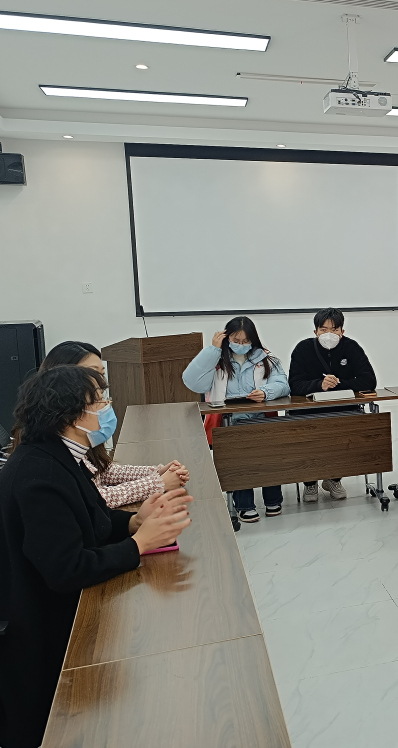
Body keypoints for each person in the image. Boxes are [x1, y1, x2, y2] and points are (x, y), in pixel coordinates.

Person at [0, 366, 192, 748]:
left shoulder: (59, 455)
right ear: (70, 415)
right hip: (39, 634)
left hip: (54, 615)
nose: (108, 407)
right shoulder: (40, 474)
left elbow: (89, 519)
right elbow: (67, 569)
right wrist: (139, 545)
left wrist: (134, 523)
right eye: (100, 400)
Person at [38, 340, 191, 509]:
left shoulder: (75, 432)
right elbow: (94, 498)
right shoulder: (52, 446)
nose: (100, 383)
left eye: (101, 374)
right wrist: (158, 483)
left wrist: (156, 472)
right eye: (91, 373)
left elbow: (101, 471)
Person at [182, 316, 290, 522]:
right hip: (229, 422)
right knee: (239, 460)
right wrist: (212, 350)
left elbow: (282, 384)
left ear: (253, 340)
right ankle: (244, 505)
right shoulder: (217, 360)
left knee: (269, 456)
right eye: (236, 340)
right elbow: (193, 382)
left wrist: (266, 392)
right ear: (226, 338)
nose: (241, 345)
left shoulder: (266, 359)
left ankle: (273, 500)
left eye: (245, 341)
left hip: (261, 419)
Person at [288, 308, 378, 502]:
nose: (329, 334)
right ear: (315, 332)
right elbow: (294, 386)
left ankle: (333, 478)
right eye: (323, 329)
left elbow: (369, 381)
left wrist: (339, 384)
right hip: (308, 411)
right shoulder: (303, 349)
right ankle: (309, 482)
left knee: (345, 434)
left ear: (342, 331)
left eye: (334, 329)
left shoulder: (351, 347)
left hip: (342, 408)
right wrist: (318, 385)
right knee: (306, 437)